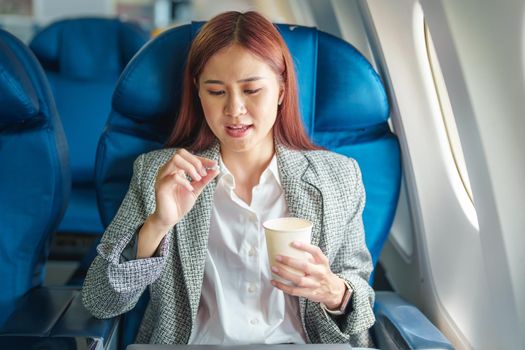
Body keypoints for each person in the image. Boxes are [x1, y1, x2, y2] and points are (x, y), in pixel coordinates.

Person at [82, 10, 375, 347]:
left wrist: (335, 292)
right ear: (198, 92)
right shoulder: (158, 174)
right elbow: (99, 301)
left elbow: (362, 300)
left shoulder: (338, 176)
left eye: (251, 90)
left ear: (281, 89)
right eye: (217, 92)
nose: (234, 110)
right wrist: (158, 224)